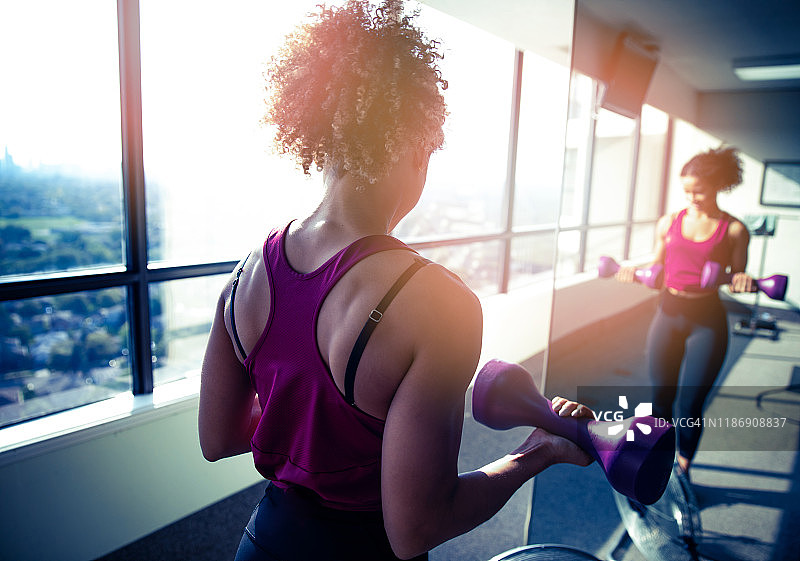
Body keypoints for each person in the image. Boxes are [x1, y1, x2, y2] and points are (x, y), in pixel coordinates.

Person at [198, 2, 593, 560]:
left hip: (264, 542)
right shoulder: (434, 302)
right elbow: (415, 529)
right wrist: (537, 453)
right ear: (413, 146)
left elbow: (218, 441)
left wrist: (308, 420)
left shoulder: (245, 276)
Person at [617, 146, 755, 479]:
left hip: (706, 322)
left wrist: (743, 281)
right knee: (660, 399)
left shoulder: (734, 230)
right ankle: (657, 462)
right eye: (686, 190)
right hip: (667, 313)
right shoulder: (670, 221)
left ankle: (683, 469)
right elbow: (657, 263)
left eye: (699, 190)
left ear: (719, 185)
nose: (691, 197)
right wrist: (631, 270)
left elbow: (737, 277)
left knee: (689, 406)